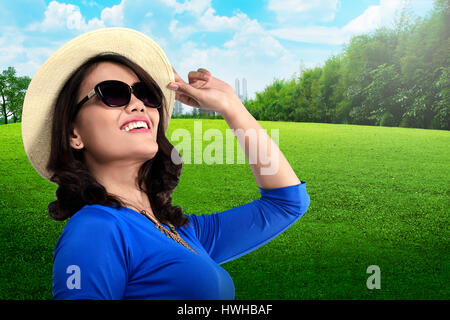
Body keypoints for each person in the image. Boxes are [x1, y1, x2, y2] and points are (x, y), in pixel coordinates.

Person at [21, 28, 310, 300]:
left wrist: (230, 106)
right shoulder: (95, 229)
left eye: (146, 93)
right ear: (74, 134)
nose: (138, 104)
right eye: (112, 93)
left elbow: (286, 203)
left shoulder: (181, 232)